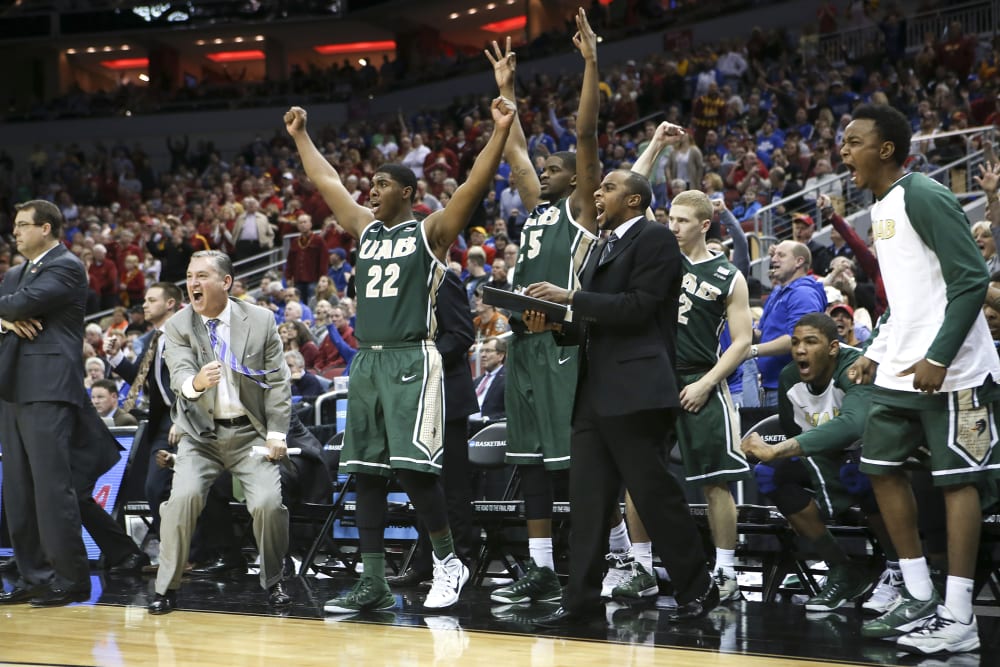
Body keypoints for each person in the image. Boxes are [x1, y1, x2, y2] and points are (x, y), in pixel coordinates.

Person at [284, 68, 516, 613]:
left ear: (408, 193)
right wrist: (300, 137)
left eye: (383, 184)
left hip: (414, 359)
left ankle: (447, 561)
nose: (372, 189)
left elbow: (474, 185)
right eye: (373, 185)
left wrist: (500, 131)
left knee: (415, 470)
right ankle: (372, 581)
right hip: (368, 362)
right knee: (366, 475)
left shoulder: (430, 231)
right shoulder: (365, 229)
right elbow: (328, 183)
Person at [524, 169, 719, 623]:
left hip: (637, 389)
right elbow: (592, 322)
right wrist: (554, 323)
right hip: (594, 389)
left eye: (608, 188)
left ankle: (698, 587)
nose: (597, 193)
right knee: (587, 501)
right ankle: (580, 600)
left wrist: (571, 297)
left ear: (634, 201)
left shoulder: (654, 238)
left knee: (653, 494)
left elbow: (638, 308)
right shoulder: (601, 246)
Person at [842, 104, 1000, 654]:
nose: (844, 151)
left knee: (958, 482)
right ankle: (916, 591)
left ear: (885, 149)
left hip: (957, 371)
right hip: (903, 367)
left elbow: (971, 280)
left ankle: (959, 618)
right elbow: (909, 299)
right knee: (879, 466)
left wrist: (938, 354)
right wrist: (876, 348)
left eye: (853, 141)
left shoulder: (925, 195)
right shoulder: (883, 205)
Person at [481, 15, 601, 608]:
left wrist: (590, 65)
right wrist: (506, 90)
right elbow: (517, 145)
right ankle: (540, 569)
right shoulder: (535, 209)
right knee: (528, 464)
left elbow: (583, 136)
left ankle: (591, 564)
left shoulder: (580, 208)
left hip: (563, 345)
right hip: (523, 345)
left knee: (571, 466)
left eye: (556, 172)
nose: (543, 175)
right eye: (543, 171)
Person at [148, 250, 293, 614]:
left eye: (202, 276)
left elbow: (277, 381)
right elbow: (179, 373)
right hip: (201, 437)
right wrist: (195, 384)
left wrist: (276, 433)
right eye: (189, 276)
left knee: (268, 505)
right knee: (180, 501)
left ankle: (274, 581)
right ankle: (166, 589)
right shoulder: (178, 325)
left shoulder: (261, 320)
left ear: (225, 282)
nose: (192, 284)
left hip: (250, 435)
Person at [741, 313, 902, 615]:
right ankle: (842, 569)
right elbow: (795, 433)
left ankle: (899, 569)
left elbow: (854, 425)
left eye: (810, 342)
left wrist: (778, 449)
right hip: (826, 458)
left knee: (859, 473)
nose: (800, 350)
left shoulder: (856, 367)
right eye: (795, 343)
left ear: (833, 348)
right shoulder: (790, 378)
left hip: (880, 455)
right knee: (769, 475)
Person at [0, 200, 115, 606]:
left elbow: (16, 304)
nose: (14, 232)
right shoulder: (16, 273)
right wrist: (5, 320)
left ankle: (70, 579)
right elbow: (9, 310)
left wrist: (8, 313)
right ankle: (34, 576)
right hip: (11, 388)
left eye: (22, 225)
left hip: (49, 387)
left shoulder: (66, 266)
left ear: (46, 228)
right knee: (18, 490)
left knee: (51, 488)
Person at [388, 269, 480, 585]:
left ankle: (462, 562)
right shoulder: (401, 283)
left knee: (452, 486)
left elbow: (462, 334)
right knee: (422, 482)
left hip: (446, 395)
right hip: (415, 397)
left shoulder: (444, 279)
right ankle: (428, 562)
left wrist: (421, 362)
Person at [104, 281, 183, 540]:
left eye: (151, 300)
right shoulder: (154, 338)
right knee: (154, 488)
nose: (144, 305)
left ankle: (193, 553)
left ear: (170, 303)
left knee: (180, 489)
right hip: (162, 422)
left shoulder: (184, 333)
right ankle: (169, 552)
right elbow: (139, 376)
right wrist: (115, 358)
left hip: (185, 419)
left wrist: (184, 416)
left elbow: (195, 380)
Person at [755, 241, 827, 406]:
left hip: (793, 387)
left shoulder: (803, 294)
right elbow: (763, 334)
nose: (774, 259)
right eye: (774, 255)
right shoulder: (778, 292)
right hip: (770, 385)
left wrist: (751, 351)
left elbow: (798, 340)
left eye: (781, 255)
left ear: (799, 262)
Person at [285, 213, 329, 303]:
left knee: (312, 301)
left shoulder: (318, 240)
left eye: (305, 222)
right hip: (298, 279)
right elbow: (290, 261)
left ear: (310, 224)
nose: (303, 225)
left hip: (313, 279)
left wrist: (323, 277)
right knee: (298, 302)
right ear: (297, 226)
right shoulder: (295, 242)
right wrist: (288, 277)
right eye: (300, 223)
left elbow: (324, 260)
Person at [472, 336, 507, 422]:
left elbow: (512, 411)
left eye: (488, 351)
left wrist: (489, 419)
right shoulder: (477, 381)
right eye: (481, 351)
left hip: (490, 428)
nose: (483, 355)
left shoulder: (509, 379)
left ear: (501, 356)